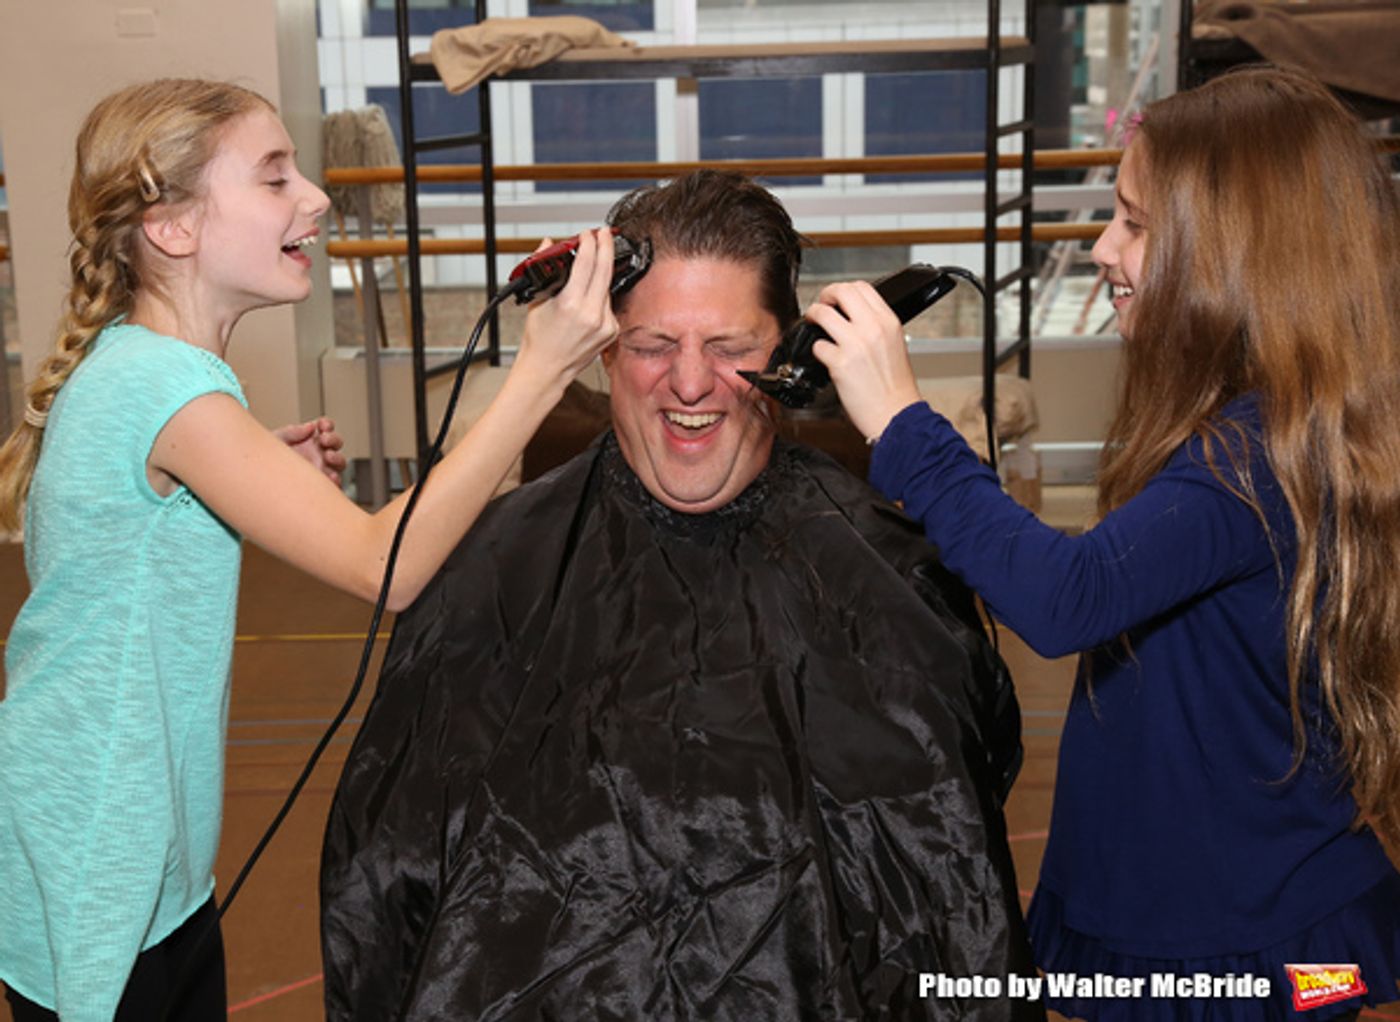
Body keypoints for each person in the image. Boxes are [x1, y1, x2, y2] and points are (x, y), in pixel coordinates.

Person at [320, 170, 1043, 1021]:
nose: (690, 385)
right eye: (654, 345)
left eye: (731, 350)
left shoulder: (888, 570)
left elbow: (951, 883)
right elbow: (382, 889)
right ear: (603, 350)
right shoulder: (490, 571)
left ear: (794, 354)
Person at [0, 79, 617, 1022]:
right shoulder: (169, 391)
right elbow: (387, 565)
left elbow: (114, 528)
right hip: (99, 859)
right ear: (172, 228)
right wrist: (540, 373)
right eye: (274, 176)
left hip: (137, 855)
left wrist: (247, 475)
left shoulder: (149, 374)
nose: (316, 198)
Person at [811, 66, 1400, 1020]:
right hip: (1229, 926)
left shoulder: (1249, 461)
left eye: (1132, 222)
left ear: (1231, 253)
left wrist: (903, 420)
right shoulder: (1271, 436)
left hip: (1252, 955)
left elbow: (1064, 597)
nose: (1099, 248)